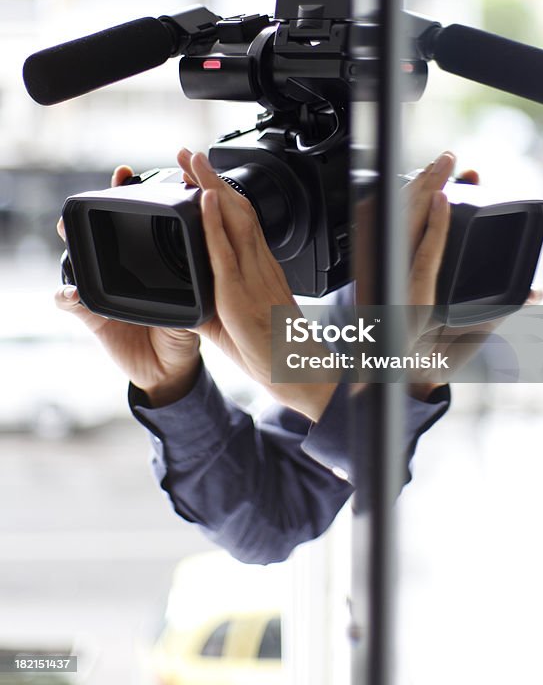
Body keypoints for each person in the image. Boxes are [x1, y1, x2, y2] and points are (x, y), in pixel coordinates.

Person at [54, 149, 472, 563]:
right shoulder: (390, 273)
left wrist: (313, 382)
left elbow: (522, 372)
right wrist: (171, 383)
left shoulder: (492, 251)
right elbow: (271, 520)